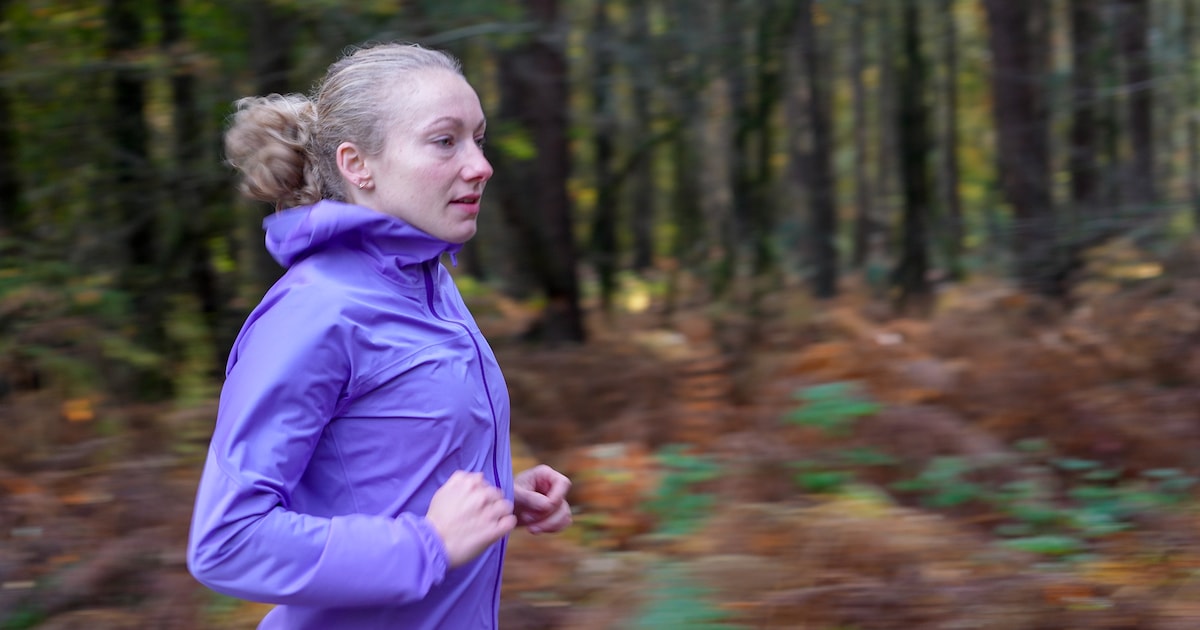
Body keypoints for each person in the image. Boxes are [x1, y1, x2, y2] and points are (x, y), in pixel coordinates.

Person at [186, 42, 572, 629]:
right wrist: (427, 544)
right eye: (445, 141)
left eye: (478, 138)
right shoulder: (314, 312)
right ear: (357, 165)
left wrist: (496, 495)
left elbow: (379, 467)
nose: (480, 165)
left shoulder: (429, 284)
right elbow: (228, 542)